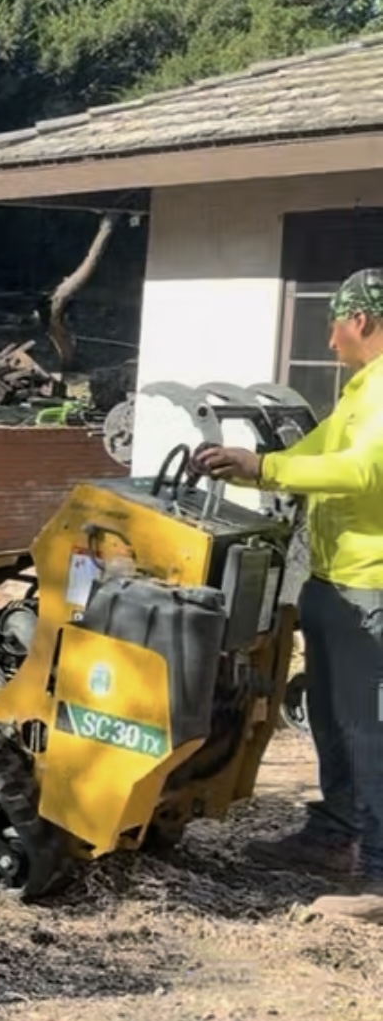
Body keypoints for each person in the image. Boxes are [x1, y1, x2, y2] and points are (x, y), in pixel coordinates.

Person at [194, 267, 383, 922]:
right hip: (337, 580)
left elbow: (362, 470)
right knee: (331, 719)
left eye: (334, 322)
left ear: (360, 320)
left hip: (373, 587)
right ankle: (335, 836)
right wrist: (235, 466)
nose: (329, 339)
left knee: (370, 728)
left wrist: (266, 466)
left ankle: (380, 878)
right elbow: (312, 455)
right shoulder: (363, 388)